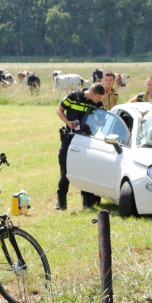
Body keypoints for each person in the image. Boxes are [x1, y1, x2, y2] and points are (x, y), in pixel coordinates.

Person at [55, 82, 106, 210]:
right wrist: (68, 122)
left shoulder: (98, 104)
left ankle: (87, 203)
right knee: (65, 170)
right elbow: (59, 110)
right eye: (99, 97)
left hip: (86, 139)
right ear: (92, 93)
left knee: (85, 170)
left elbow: (102, 121)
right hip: (69, 137)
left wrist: (89, 122)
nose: (100, 100)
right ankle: (61, 204)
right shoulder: (73, 97)